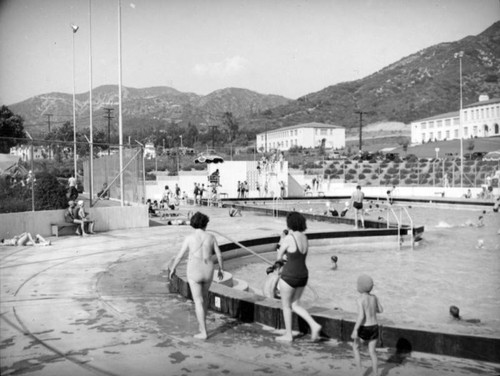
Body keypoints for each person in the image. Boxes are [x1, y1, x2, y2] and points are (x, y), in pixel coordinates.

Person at [168, 212, 224, 340]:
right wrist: (221, 269)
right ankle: (202, 326)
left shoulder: (189, 238)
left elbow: (180, 255)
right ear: (205, 223)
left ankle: (203, 331)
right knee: (204, 298)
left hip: (194, 269)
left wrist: (173, 268)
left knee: (198, 301)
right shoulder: (211, 237)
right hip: (208, 269)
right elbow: (219, 255)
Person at [275, 211, 322, 342]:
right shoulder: (305, 238)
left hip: (289, 275)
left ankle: (288, 335)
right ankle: (314, 325)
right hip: (303, 275)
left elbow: (279, 256)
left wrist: (278, 268)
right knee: (295, 305)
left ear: (290, 224)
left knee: (286, 306)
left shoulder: (289, 238)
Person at [351, 274, 383, 376]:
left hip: (365, 327)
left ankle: (360, 372)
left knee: (355, 347)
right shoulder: (374, 297)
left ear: (360, 287)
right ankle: (376, 373)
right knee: (372, 352)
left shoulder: (360, 300)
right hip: (374, 327)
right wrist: (373, 308)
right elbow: (381, 310)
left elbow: (361, 316)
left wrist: (355, 330)